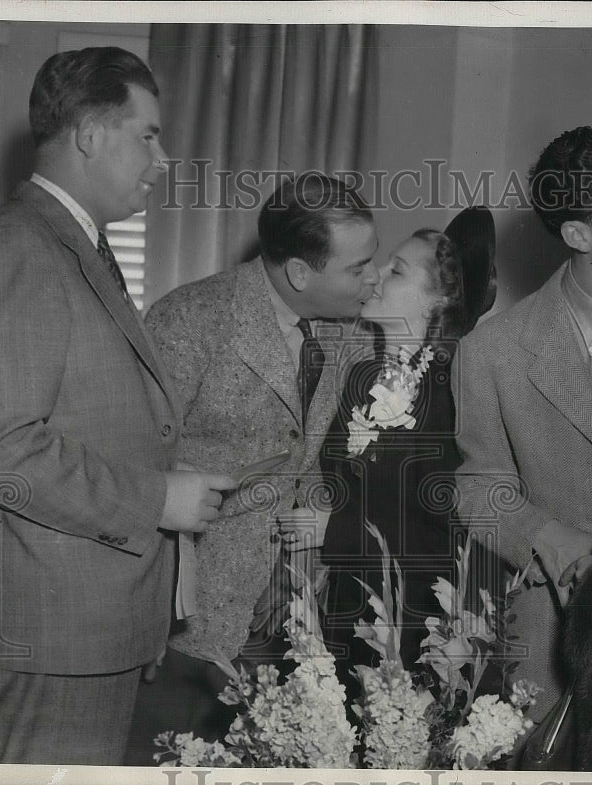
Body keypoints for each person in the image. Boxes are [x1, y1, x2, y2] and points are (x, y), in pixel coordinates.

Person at [0, 47, 236, 765]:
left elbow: (73, 412)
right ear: (90, 134)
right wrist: (156, 496)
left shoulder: (69, 242)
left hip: (77, 625)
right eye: (148, 134)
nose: (162, 158)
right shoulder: (21, 244)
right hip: (50, 633)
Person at [139, 173, 381, 749]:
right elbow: (134, 473)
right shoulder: (189, 321)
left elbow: (331, 457)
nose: (373, 279)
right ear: (300, 273)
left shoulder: (359, 335)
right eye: (358, 268)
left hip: (302, 616)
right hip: (194, 622)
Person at [453, 126, 592, 719]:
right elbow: (478, 489)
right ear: (579, 233)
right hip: (551, 644)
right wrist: (555, 544)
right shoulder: (492, 350)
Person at [317, 209, 497, 689]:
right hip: (349, 613)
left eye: (397, 270)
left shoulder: (452, 391)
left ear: (438, 299)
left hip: (417, 626)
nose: (374, 277)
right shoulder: (364, 377)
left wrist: (330, 527)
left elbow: (444, 525)